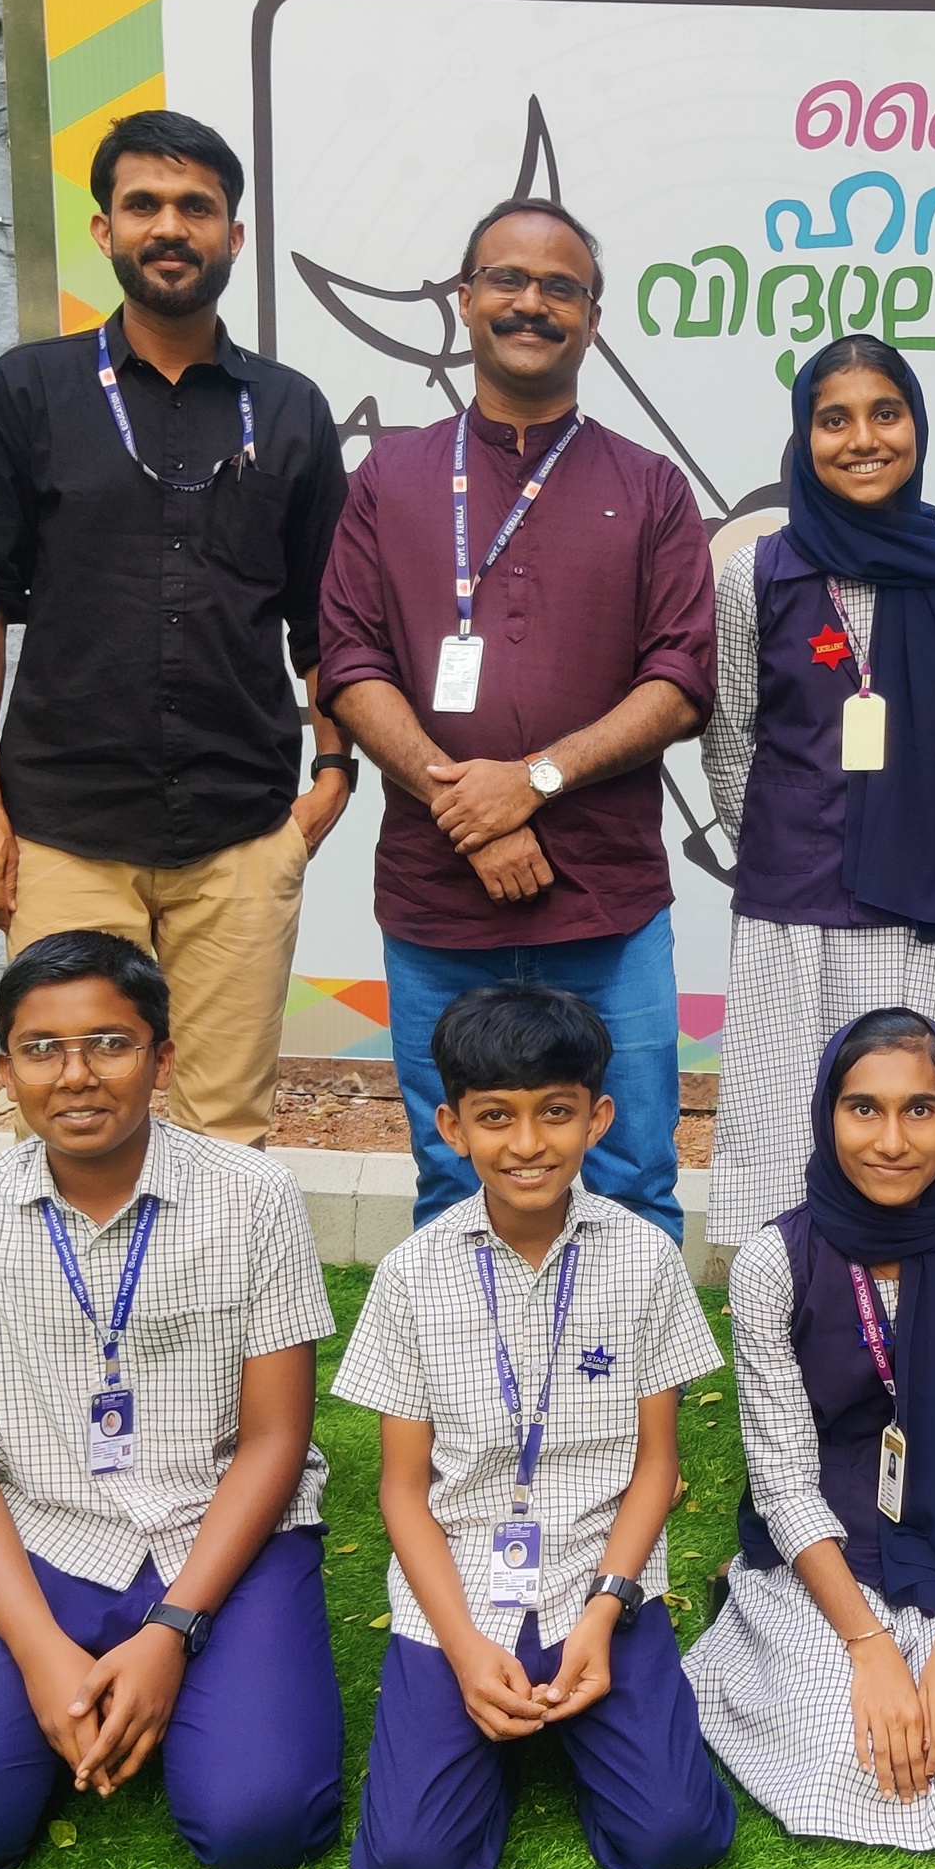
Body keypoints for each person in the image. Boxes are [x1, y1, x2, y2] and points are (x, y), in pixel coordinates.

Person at [0, 933, 344, 1869]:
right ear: (6, 1070)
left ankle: (171, 1683)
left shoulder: (254, 1197)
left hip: (224, 1536)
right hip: (50, 1539)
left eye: (111, 1044)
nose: (76, 1076)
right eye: (41, 1049)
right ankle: (67, 1696)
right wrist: (39, 1653)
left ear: (162, 1059)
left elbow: (276, 1439)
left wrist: (169, 1633)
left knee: (261, 1822)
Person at [0, 109, 354, 1150]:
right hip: (64, 832)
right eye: (144, 206)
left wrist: (333, 775)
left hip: (240, 831)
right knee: (72, 1122)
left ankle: (221, 1274)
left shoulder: (290, 409)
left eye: (195, 208)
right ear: (105, 229)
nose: (170, 227)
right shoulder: (28, 389)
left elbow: (328, 616)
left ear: (233, 235)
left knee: (229, 1134)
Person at [315, 199, 715, 1243]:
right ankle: (469, 1364)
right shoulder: (390, 478)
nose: (531, 303)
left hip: (607, 906)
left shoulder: (651, 487)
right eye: (506, 279)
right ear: (464, 298)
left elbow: (679, 680)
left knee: (633, 1177)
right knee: (457, 1182)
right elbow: (349, 662)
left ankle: (631, 1365)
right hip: (438, 904)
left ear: (593, 318)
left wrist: (529, 782)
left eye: (559, 287)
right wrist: (469, 809)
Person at [332, 983, 737, 1869]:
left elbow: (657, 1466)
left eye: (555, 1112)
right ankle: (493, 1725)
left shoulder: (645, 1259)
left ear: (598, 1118)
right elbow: (402, 1490)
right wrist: (464, 1646)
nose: (527, 1143)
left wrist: (605, 1609)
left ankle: (587, 1711)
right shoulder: (409, 1277)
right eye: (495, 1116)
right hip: (461, 1592)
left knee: (675, 1836)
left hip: (601, 1581)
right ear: (451, 1126)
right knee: (412, 1862)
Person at [687, 1009, 935, 1847]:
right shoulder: (775, 1261)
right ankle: (763, 1621)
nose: (893, 1141)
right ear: (827, 1113)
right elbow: (783, 1482)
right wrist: (867, 1646)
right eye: (864, 1108)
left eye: (921, 1109)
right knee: (853, 1755)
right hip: (826, 1554)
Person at [704, 337, 935, 1247]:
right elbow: (730, 734)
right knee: (786, 1132)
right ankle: (788, 1310)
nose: (863, 439)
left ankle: (915, 1309)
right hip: (791, 909)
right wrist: (788, 840)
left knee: (906, 1131)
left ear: (918, 427)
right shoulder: (757, 572)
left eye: (885, 414)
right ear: (804, 436)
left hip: (920, 910)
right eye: (835, 420)